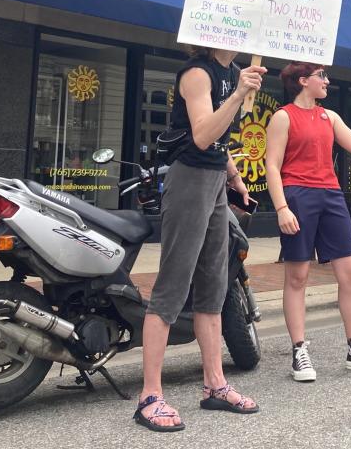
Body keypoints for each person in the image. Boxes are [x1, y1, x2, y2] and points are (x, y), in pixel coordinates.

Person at [134, 46, 265, 432]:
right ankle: (150, 396)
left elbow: (221, 142)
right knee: (173, 285)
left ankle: (214, 385)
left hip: (214, 183)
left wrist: (235, 178)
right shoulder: (197, 74)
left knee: (214, 286)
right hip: (189, 178)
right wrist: (240, 94)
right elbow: (204, 134)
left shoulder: (235, 71)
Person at [265, 62, 351, 382]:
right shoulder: (283, 116)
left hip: (331, 195)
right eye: (322, 76)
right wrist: (281, 207)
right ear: (303, 81)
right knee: (298, 276)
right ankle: (299, 351)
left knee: (350, 273)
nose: (327, 81)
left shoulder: (329, 116)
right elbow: (272, 165)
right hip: (297, 196)